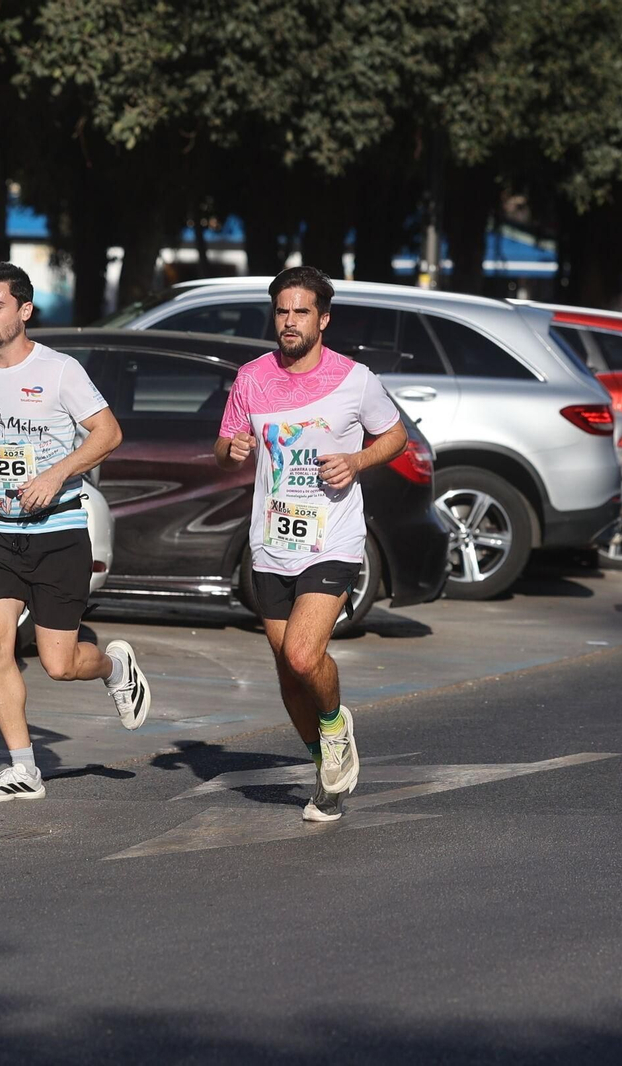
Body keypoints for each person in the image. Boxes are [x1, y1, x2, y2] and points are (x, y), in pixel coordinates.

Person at [0, 261, 152, 801]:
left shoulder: (60, 372)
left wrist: (57, 474)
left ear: (24, 311)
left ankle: (112, 666)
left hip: (58, 532)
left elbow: (108, 433)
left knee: (59, 663)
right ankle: (23, 769)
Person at [215, 266, 407, 821]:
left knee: (303, 654)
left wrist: (358, 460)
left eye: (301, 312)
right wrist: (231, 451)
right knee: (286, 669)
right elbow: (225, 444)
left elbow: (394, 435)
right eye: (282, 311)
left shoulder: (356, 378)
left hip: (333, 539)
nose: (289, 322)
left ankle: (334, 725)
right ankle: (325, 763)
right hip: (272, 540)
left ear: (323, 319)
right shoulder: (250, 378)